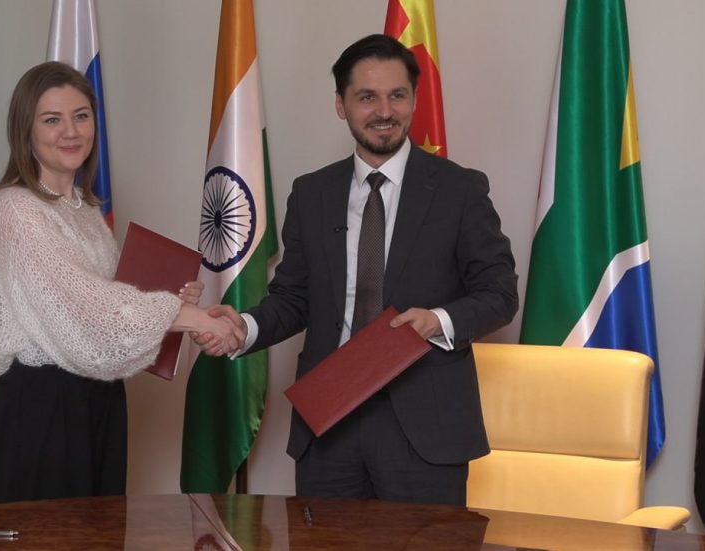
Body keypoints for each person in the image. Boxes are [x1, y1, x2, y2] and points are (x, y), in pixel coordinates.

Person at [197, 34, 518, 505]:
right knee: (325, 540)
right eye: (367, 97)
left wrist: (437, 321)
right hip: (329, 425)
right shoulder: (311, 193)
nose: (384, 111)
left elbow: (500, 293)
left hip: (426, 429)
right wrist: (243, 328)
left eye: (397, 95)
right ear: (341, 105)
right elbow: (294, 299)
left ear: (414, 100)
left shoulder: (460, 190)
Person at [0, 61, 242, 503]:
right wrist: (188, 316)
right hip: (43, 407)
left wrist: (174, 302)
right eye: (52, 119)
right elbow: (83, 304)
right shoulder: (14, 208)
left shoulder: (86, 212)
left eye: (81, 116)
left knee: (100, 533)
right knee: (49, 536)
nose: (71, 132)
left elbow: (109, 305)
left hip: (100, 397)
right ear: (25, 130)